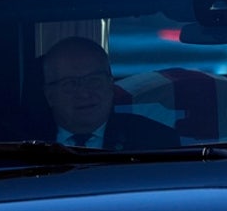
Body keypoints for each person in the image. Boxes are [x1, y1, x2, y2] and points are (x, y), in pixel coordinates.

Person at [37, 36, 180, 150]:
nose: (84, 93)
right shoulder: (21, 143)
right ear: (49, 95)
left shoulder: (155, 141)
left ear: (110, 85)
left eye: (94, 80)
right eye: (69, 83)